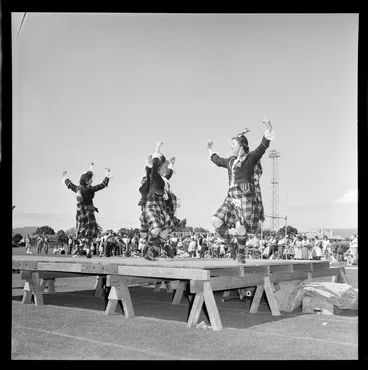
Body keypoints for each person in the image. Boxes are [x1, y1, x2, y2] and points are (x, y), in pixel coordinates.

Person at [207, 119, 274, 263]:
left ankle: (241, 253)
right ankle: (231, 247)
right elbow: (218, 160)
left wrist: (268, 130)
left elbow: (261, 148)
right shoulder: (230, 161)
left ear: (241, 146)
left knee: (240, 226)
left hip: (244, 196)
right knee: (215, 220)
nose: (231, 147)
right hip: (231, 196)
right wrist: (210, 150)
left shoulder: (249, 159)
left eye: (233, 144)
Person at [139, 142, 180, 261]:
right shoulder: (154, 176)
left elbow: (169, 174)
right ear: (160, 167)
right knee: (156, 228)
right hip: (152, 204)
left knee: (165, 231)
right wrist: (157, 149)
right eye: (165, 167)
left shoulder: (163, 179)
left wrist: (171, 164)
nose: (166, 169)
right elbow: (153, 166)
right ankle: (148, 245)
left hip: (162, 207)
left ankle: (153, 250)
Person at [62, 163, 112, 258]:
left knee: (82, 232)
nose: (92, 181)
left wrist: (65, 178)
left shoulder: (78, 188)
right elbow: (102, 185)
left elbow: (70, 185)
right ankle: (88, 248)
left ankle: (85, 248)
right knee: (90, 232)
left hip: (81, 213)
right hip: (89, 213)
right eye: (91, 180)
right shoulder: (90, 189)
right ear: (87, 181)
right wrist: (107, 175)